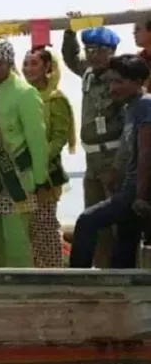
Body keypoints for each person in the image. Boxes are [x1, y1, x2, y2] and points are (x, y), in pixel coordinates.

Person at [70, 55, 151, 268]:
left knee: (87, 221)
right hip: (129, 190)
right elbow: (128, 151)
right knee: (123, 251)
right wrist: (116, 174)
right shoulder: (131, 108)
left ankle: (74, 284)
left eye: (119, 82)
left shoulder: (145, 105)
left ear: (138, 82)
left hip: (136, 193)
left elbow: (146, 154)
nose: (112, 88)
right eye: (111, 81)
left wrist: (141, 197)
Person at [0, 37, 49, 267]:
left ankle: (22, 291)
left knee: (17, 242)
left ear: (9, 62)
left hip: (17, 178)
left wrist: (39, 181)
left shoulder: (25, 93)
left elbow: (37, 141)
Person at [62, 25, 124, 267]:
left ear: (111, 51)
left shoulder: (119, 77)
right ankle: (101, 269)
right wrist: (69, 32)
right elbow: (70, 57)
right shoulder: (88, 73)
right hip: (91, 159)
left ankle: (121, 269)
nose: (91, 55)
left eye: (97, 50)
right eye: (88, 49)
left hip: (112, 154)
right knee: (94, 216)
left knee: (117, 217)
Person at [22, 47, 76, 267]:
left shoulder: (56, 99)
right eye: (25, 64)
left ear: (48, 67)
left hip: (46, 173)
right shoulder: (23, 97)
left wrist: (39, 161)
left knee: (45, 225)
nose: (28, 69)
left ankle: (54, 273)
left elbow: (59, 138)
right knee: (28, 228)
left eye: (34, 64)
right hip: (22, 171)